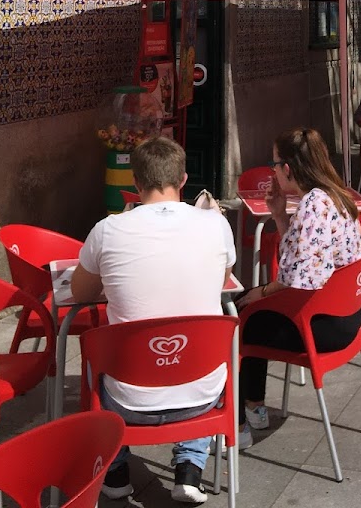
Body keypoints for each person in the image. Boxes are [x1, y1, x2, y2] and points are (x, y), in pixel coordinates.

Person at [72, 137, 236, 505]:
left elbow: (80, 291)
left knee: (93, 362)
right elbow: (226, 276)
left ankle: (114, 471)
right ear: (184, 179)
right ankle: (190, 468)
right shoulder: (215, 225)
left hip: (128, 399)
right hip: (202, 397)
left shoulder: (107, 230)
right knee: (200, 352)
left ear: (135, 182)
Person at [237, 128, 361, 430]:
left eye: (274, 165)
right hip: (348, 317)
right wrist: (281, 216)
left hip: (319, 325)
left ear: (287, 169)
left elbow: (298, 277)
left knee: (240, 314)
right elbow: (302, 257)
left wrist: (264, 292)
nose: (273, 171)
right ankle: (251, 406)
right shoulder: (337, 195)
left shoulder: (313, 205)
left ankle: (242, 418)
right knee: (247, 304)